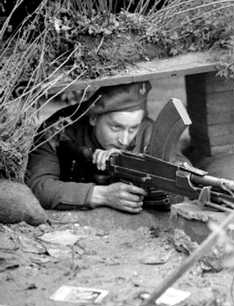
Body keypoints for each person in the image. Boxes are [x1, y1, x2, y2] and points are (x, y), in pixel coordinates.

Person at [25, 81, 163, 213]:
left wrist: (130, 165)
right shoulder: (58, 130)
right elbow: (38, 186)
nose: (124, 140)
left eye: (133, 129)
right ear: (93, 118)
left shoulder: (149, 132)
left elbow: (180, 179)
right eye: (116, 127)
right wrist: (102, 195)